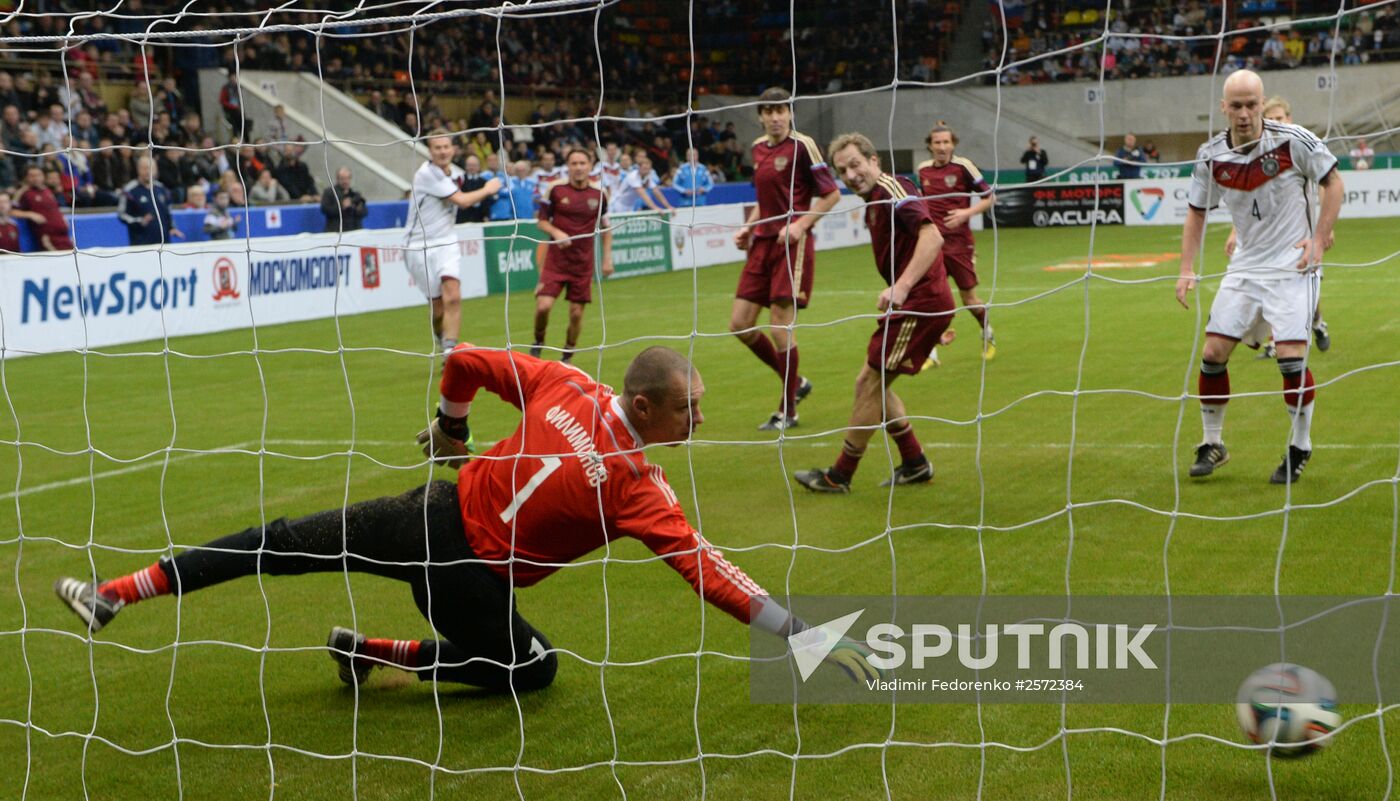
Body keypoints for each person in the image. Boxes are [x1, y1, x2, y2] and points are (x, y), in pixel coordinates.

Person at [52, 346, 882, 691]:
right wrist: (800, 633)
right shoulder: (639, 489)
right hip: (467, 578)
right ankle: (377, 651)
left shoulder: (569, 384)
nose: (699, 419)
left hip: (422, 512)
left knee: (279, 543)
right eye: (688, 407)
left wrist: (451, 426)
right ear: (644, 402)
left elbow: (462, 362)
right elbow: (711, 570)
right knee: (534, 671)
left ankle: (118, 590)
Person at [1175, 70, 1342, 485]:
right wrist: (1185, 268)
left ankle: (1300, 446)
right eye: (1237, 106)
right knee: (1213, 353)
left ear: (1262, 103)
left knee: (1289, 360)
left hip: (1293, 266)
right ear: (1223, 108)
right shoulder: (1211, 155)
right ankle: (1213, 442)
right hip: (1246, 267)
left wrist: (1319, 240)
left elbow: (1334, 183)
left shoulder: (1293, 140)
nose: (1245, 113)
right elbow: (1196, 210)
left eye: (1252, 104)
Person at [793, 133, 952, 493]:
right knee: (872, 384)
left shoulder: (892, 188)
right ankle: (914, 463)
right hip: (921, 304)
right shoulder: (875, 202)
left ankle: (840, 475)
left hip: (919, 302)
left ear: (874, 160)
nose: (850, 175)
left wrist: (904, 286)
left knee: (869, 384)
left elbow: (933, 237)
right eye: (842, 170)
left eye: (855, 164)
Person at [731, 87, 841, 431]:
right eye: (768, 111)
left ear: (790, 113)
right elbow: (765, 199)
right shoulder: (757, 148)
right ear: (760, 115)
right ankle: (797, 381)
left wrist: (801, 225)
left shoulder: (803, 146)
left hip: (791, 246)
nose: (775, 117)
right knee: (740, 325)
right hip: (762, 243)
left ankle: (788, 410)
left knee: (780, 324)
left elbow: (832, 194)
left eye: (781, 110)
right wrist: (748, 228)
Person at [1225, 96, 1331, 357]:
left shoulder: (1299, 147)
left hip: (1301, 239)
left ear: (1289, 119)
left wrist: (1324, 229)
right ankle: (1276, 341)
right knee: (1269, 288)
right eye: (1270, 119)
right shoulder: (1257, 156)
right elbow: (1249, 203)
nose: (1275, 123)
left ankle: (1317, 323)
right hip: (1267, 243)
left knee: (1307, 295)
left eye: (1280, 118)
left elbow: (1327, 183)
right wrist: (1234, 231)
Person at [404, 129, 502, 356]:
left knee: (453, 296)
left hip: (447, 242)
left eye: (446, 147)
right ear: (430, 151)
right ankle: (441, 337)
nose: (442, 151)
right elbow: (463, 201)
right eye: (437, 147)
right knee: (438, 309)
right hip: (420, 246)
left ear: (453, 149)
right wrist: (488, 188)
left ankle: (451, 354)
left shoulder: (452, 174)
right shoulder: (427, 174)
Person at [917, 121, 997, 366]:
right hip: (932, 243)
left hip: (959, 244)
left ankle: (987, 334)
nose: (942, 147)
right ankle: (930, 352)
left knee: (968, 299)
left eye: (946, 142)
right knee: (929, 297)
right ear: (930, 146)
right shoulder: (923, 169)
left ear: (953, 144)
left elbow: (990, 197)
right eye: (937, 143)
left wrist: (965, 214)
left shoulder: (964, 166)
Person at [529, 148, 614, 363]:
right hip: (556, 262)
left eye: (582, 163)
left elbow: (606, 228)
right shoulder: (555, 189)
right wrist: (556, 232)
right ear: (567, 166)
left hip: (582, 263)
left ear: (590, 165)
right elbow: (541, 221)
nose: (578, 167)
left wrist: (607, 258)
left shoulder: (599, 194)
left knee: (576, 313)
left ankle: (567, 355)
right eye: (573, 163)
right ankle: (538, 342)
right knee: (543, 306)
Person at [118, 155, 183, 246]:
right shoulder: (129, 191)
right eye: (144, 168)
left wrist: (172, 227)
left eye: (151, 168)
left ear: (156, 170)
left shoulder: (162, 189)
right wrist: (140, 221)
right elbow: (122, 214)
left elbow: (168, 211)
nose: (148, 172)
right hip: (141, 244)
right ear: (138, 169)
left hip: (164, 244)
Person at [14, 165, 74, 251]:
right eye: (32, 176)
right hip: (48, 239)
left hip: (64, 236)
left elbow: (54, 208)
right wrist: (30, 214)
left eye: (39, 175)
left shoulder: (47, 190)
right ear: (26, 178)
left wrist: (61, 217)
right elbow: (11, 211)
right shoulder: (24, 193)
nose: (36, 178)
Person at [321, 166, 368, 232]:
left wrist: (357, 208)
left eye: (347, 178)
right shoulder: (330, 192)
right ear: (337, 179)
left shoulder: (355, 194)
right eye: (342, 179)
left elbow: (364, 212)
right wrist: (342, 206)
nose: (345, 181)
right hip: (336, 230)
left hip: (354, 231)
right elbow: (325, 209)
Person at [452, 155, 492, 224]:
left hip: (479, 218)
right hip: (463, 218)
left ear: (479, 167)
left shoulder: (484, 182)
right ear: (466, 166)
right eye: (470, 165)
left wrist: (486, 215)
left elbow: (486, 200)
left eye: (474, 165)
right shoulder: (460, 181)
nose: (472, 167)